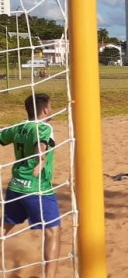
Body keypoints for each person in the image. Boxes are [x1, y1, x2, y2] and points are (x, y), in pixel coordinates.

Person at [1, 93, 61, 278]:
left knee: (5, 227)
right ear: (45, 110)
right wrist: (40, 157)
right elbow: (40, 143)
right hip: (37, 188)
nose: (51, 111)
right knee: (53, 232)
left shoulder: (19, 127)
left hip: (15, 186)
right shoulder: (45, 127)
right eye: (50, 107)